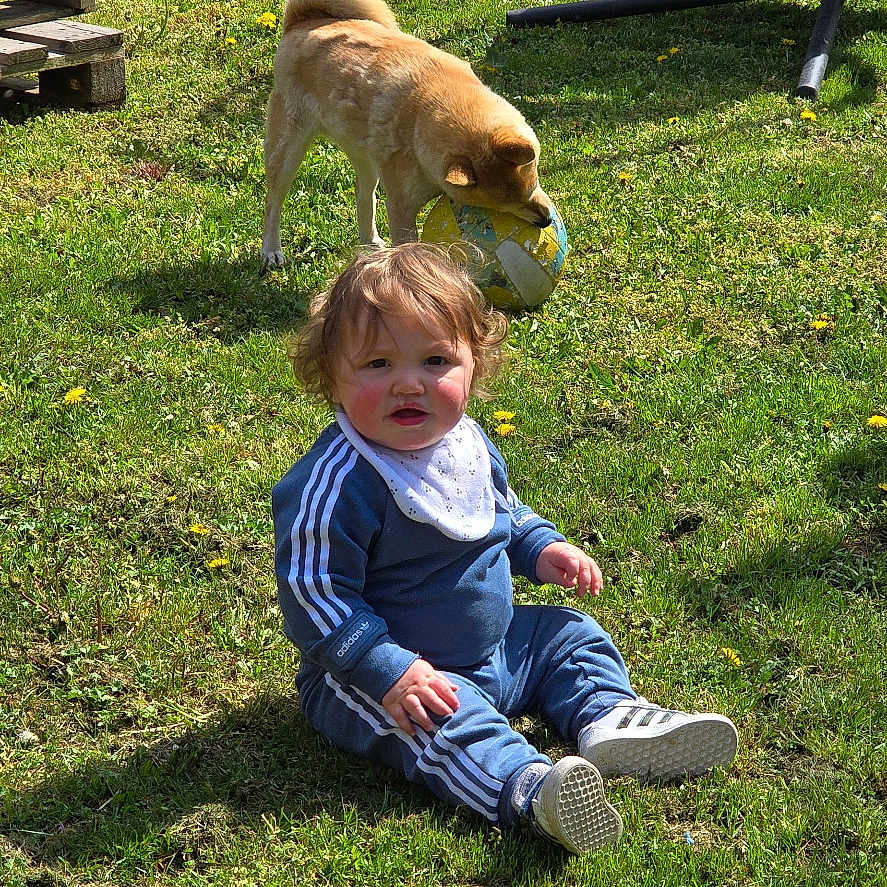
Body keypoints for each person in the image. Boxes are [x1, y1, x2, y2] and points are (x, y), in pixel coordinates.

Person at [272, 243, 738, 853]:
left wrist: (541, 547)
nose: (409, 383)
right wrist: (390, 670)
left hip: (497, 647)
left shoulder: (465, 442)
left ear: (475, 367)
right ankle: (530, 789)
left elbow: (499, 512)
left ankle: (609, 717)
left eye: (436, 360)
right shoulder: (337, 484)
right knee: (442, 724)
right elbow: (316, 594)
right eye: (378, 364)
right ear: (331, 374)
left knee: (568, 635)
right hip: (390, 678)